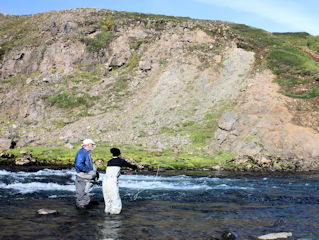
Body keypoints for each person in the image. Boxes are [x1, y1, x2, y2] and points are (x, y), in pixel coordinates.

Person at [102, 148, 138, 214]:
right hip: (112, 182)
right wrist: (136, 167)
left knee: (108, 200)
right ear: (119, 154)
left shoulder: (109, 161)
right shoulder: (120, 161)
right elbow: (130, 166)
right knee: (115, 199)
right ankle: (115, 218)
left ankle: (107, 215)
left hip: (105, 181)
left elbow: (114, 171)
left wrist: (125, 173)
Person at [74, 139, 99, 209]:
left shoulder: (85, 152)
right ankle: (82, 208)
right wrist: (89, 171)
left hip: (84, 176)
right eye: (92, 144)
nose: (93, 146)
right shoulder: (82, 153)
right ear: (88, 145)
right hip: (82, 176)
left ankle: (82, 207)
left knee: (84, 192)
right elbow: (79, 164)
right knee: (82, 192)